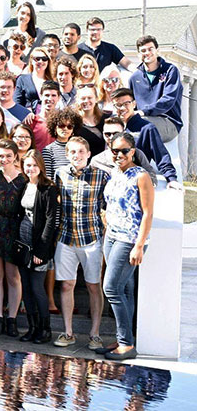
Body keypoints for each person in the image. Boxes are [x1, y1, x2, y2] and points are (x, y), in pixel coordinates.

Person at [101, 132, 154, 360]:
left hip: (129, 239)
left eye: (124, 150)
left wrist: (139, 245)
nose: (120, 154)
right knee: (124, 289)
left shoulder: (141, 176)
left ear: (133, 151)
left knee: (111, 288)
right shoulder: (114, 172)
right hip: (111, 236)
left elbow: (148, 213)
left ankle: (126, 344)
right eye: (115, 150)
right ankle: (125, 338)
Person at [53, 137, 109, 350]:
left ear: (88, 154)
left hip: (91, 239)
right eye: (72, 152)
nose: (77, 156)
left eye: (81, 151)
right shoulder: (60, 174)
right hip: (66, 238)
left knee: (93, 286)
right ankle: (68, 332)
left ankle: (95, 333)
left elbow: (107, 205)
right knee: (67, 285)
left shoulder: (101, 176)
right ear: (67, 154)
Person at [17, 150, 59, 344]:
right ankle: (32, 328)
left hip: (39, 245)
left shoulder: (48, 187)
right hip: (22, 244)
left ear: (40, 166)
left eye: (34, 165)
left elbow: (51, 221)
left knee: (37, 288)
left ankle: (45, 329)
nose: (30, 168)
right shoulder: (24, 185)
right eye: (27, 165)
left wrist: (41, 251)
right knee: (26, 289)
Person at [0, 139, 28, 337]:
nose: (4, 159)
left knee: (13, 277)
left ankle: (11, 319)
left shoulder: (24, 179)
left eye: (8, 156)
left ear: (15, 157)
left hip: (16, 229)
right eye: (0, 156)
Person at [110, 88, 180, 188]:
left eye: (126, 104)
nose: (122, 108)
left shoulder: (147, 128)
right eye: (118, 105)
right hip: (112, 175)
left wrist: (172, 179)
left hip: (134, 179)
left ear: (134, 104)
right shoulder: (111, 126)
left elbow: (161, 156)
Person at [129, 35, 183, 143]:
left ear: (157, 50)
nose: (147, 53)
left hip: (168, 122)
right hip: (142, 120)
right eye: (143, 50)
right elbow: (131, 104)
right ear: (139, 54)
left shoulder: (170, 71)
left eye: (150, 49)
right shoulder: (134, 78)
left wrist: (144, 112)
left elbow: (168, 100)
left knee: (139, 127)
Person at [91, 117, 158, 186]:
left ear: (124, 133)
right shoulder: (96, 161)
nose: (111, 137)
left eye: (116, 134)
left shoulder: (136, 154)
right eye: (107, 134)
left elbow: (150, 175)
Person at [42, 108, 82, 181]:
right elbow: (48, 177)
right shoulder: (48, 150)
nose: (65, 129)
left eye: (69, 126)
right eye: (61, 125)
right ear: (55, 128)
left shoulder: (79, 148)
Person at [74, 85, 111, 157]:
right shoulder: (74, 122)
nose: (86, 101)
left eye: (89, 98)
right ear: (78, 100)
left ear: (96, 99)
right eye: (83, 98)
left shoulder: (106, 119)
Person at [15, 47, 55, 112]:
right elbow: (17, 102)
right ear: (31, 61)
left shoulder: (52, 82)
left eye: (44, 59)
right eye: (37, 59)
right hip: (28, 118)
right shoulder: (22, 79)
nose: (41, 61)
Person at [30, 82, 59, 151]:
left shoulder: (62, 123)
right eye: (47, 95)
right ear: (41, 96)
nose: (50, 98)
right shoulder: (32, 121)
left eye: (53, 95)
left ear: (59, 98)